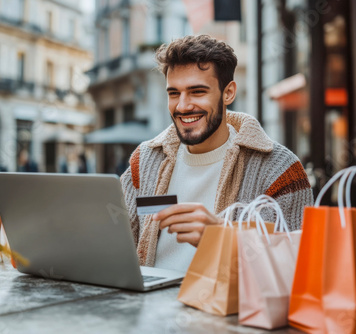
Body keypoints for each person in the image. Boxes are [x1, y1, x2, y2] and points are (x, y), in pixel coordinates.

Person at [121, 35, 313, 271]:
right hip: (149, 305)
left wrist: (222, 240)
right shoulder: (146, 159)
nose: (182, 106)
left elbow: (298, 266)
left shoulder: (280, 170)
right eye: (174, 93)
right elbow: (114, 245)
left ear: (228, 93)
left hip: (228, 308)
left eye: (197, 92)